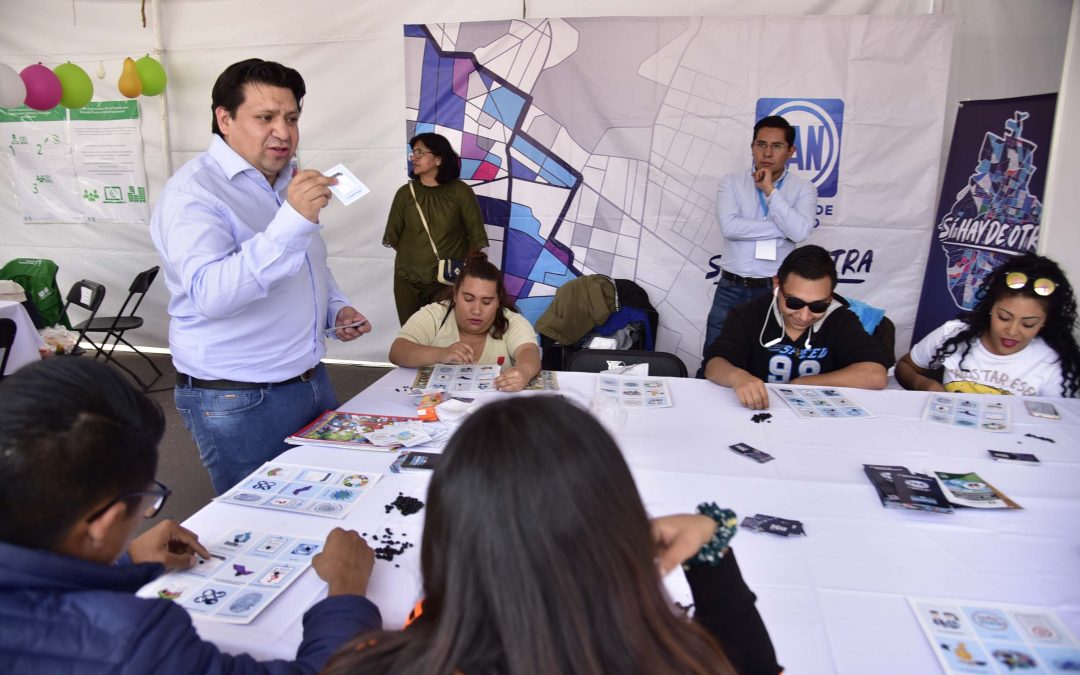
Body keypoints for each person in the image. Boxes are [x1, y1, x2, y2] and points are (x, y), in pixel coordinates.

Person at [323, 396, 781, 675]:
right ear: (618, 527)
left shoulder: (379, 658)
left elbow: (432, 622)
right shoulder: (682, 659)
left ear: (451, 538)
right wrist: (712, 544)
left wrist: (345, 592)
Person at [0, 358, 381, 674]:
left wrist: (125, 559)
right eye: (149, 500)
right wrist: (346, 592)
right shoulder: (128, 641)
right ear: (103, 523)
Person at [149, 58, 372, 494]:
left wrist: (335, 307)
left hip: (311, 380)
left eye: (291, 118)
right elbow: (212, 294)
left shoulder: (286, 178)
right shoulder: (193, 194)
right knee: (264, 518)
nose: (284, 132)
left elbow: (311, 264)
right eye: (265, 117)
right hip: (238, 396)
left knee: (333, 500)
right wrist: (290, 220)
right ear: (225, 119)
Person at [704, 245, 890, 409]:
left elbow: (875, 375)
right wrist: (738, 377)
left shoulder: (841, 318)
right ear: (777, 284)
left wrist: (804, 383)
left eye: (818, 306)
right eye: (794, 303)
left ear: (830, 296)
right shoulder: (747, 315)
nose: (804, 316)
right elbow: (714, 364)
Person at [702, 115, 818, 368]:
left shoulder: (803, 189)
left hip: (774, 291)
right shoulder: (732, 182)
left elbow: (799, 233)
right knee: (715, 358)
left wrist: (770, 191)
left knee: (766, 363)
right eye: (760, 144)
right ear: (752, 146)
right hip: (731, 287)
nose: (767, 152)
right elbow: (730, 228)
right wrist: (780, 228)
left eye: (776, 146)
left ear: (791, 151)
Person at [896, 253, 1080, 396]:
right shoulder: (954, 334)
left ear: (1045, 321)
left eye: (1028, 324)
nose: (1012, 331)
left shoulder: (1052, 362)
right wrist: (922, 384)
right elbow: (904, 366)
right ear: (990, 308)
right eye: (1004, 317)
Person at [389, 259, 541, 392]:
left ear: (498, 302)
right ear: (455, 294)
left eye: (486, 302)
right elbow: (398, 351)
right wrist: (442, 354)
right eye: (468, 299)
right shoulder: (435, 316)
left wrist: (523, 372)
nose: (476, 310)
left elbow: (528, 351)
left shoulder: (511, 321)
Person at [383, 132, 488, 324]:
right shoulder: (405, 193)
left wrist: (455, 266)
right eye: (413, 153)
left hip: (446, 281)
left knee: (444, 334)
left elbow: (476, 236)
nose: (414, 157)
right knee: (411, 334)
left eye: (420, 152)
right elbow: (395, 236)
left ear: (438, 159)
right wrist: (418, 256)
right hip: (407, 279)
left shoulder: (461, 191)